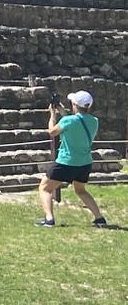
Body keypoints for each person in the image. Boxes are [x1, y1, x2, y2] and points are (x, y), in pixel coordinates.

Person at [37, 89, 107, 228]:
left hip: (67, 162)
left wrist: (52, 115)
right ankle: (99, 218)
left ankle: (49, 219)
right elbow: (77, 123)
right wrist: (63, 111)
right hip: (84, 163)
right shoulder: (94, 121)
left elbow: (52, 132)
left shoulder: (68, 120)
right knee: (80, 190)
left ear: (75, 104)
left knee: (45, 188)